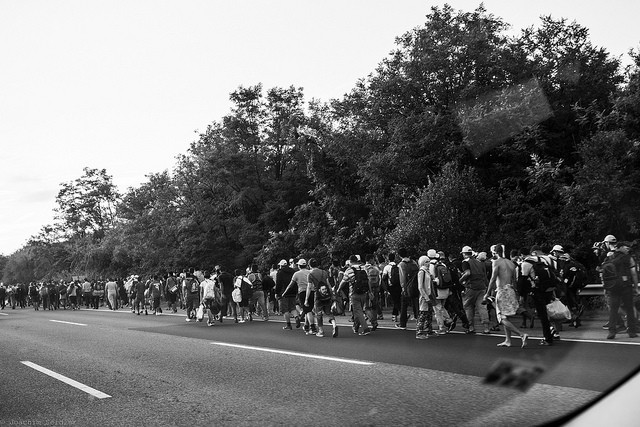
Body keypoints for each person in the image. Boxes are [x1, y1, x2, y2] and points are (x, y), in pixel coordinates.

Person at [485, 244, 528, 348]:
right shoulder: (511, 263)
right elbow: (514, 280)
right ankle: (508, 340)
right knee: (506, 316)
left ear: (495, 251)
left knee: (501, 317)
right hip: (511, 290)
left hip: (502, 290)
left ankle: (521, 334)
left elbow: (493, 279)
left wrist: (487, 293)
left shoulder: (496, 262)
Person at [601, 241, 639, 339]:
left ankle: (612, 332)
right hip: (626, 286)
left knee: (613, 309)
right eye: (626, 248)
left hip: (613, 288)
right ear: (620, 247)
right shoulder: (628, 258)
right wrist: (636, 287)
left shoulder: (609, 258)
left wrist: (606, 287)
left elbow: (603, 273)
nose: (628, 249)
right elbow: (634, 273)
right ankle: (631, 331)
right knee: (629, 308)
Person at [519, 247, 555, 346]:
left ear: (522, 255)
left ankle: (548, 338)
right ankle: (552, 330)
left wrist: (522, 295)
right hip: (547, 289)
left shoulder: (526, 263)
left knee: (542, 314)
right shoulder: (543, 259)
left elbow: (522, 280)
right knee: (548, 311)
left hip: (537, 290)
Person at [338, 255, 373, 336]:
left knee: (358, 311)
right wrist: (370, 291)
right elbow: (368, 281)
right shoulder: (363, 268)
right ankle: (356, 327)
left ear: (350, 262)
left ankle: (365, 328)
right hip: (364, 293)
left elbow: (343, 281)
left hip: (354, 293)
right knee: (358, 311)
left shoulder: (349, 270)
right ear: (357, 260)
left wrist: (338, 289)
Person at [459, 246, 490, 334]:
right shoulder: (480, 262)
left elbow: (468, 273)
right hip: (482, 287)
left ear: (464, 254)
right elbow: (485, 276)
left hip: (471, 287)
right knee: (482, 307)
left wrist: (461, 280)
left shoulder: (465, 262)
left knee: (468, 306)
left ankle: (471, 327)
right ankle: (486, 328)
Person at [428, 249, 454, 334]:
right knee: (441, 307)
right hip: (445, 289)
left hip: (437, 290)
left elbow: (431, 278)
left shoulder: (431, 265)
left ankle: (442, 328)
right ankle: (449, 320)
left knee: (437, 310)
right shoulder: (442, 264)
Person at [395, 249, 420, 331]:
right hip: (415, 286)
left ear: (399, 255)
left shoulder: (401, 264)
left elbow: (402, 277)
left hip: (407, 287)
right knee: (416, 304)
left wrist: (403, 288)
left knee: (404, 305)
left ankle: (403, 324)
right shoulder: (413, 263)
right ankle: (419, 323)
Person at [276, 259, 299, 330]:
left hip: (284, 293)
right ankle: (296, 317)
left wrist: (277, 293)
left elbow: (278, 284)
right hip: (292, 291)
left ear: (281, 265)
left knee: (284, 309)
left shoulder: (280, 272)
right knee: (292, 307)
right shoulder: (293, 271)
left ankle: (288, 324)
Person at [416, 255, 434, 339]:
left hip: (429, 295)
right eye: (426, 261)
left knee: (429, 313)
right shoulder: (422, 272)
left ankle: (428, 330)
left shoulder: (427, 271)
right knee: (423, 314)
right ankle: (419, 332)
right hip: (424, 296)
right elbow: (420, 286)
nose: (429, 263)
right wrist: (425, 297)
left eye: (429, 261)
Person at [381, 252, 402, 322]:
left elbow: (383, 277)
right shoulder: (398, 266)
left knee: (395, 301)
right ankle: (398, 314)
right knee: (397, 300)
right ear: (394, 259)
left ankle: (395, 315)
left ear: (388, 259)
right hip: (398, 285)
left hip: (391, 286)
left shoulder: (387, 267)